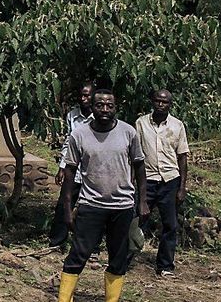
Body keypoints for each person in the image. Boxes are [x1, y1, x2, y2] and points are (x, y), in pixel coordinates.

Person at [58, 87, 148, 302]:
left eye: (110, 105)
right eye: (100, 105)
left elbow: (139, 166)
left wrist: (142, 200)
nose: (105, 109)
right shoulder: (79, 134)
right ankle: (63, 299)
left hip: (122, 206)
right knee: (78, 255)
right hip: (91, 205)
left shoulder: (128, 132)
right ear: (92, 107)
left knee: (118, 258)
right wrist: (67, 208)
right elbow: (70, 171)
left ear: (115, 107)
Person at [134, 89, 189, 276]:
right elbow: (135, 155)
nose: (160, 105)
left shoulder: (177, 125)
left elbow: (182, 157)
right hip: (147, 180)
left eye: (164, 102)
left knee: (170, 225)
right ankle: (124, 259)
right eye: (157, 101)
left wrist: (182, 187)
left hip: (169, 180)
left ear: (170, 104)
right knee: (135, 220)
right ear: (152, 102)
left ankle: (165, 265)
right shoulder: (141, 123)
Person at [48, 82, 95, 249]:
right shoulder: (72, 116)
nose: (84, 99)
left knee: (90, 209)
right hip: (74, 169)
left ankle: (90, 246)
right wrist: (62, 166)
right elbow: (68, 141)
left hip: (92, 171)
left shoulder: (99, 118)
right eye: (82, 95)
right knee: (64, 205)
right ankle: (57, 241)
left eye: (87, 95)